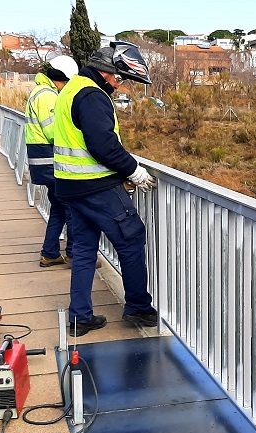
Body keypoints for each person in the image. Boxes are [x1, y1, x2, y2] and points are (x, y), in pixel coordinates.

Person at [53, 42, 157, 337]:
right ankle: (138, 306)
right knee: (132, 240)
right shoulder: (92, 95)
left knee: (85, 249)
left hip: (70, 187)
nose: (118, 84)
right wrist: (133, 170)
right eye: (117, 78)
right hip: (96, 187)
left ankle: (80, 316)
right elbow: (103, 145)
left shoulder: (70, 90)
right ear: (106, 71)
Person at [24, 55, 79, 268]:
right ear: (62, 78)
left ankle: (50, 253)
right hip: (51, 163)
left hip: (41, 163)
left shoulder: (38, 92)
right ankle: (75, 254)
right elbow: (54, 132)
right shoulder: (48, 96)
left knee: (58, 208)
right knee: (73, 209)